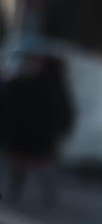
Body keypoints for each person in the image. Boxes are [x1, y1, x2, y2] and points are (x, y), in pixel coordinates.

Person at [0, 47, 75, 206]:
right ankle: (19, 191)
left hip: (38, 135)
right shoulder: (23, 82)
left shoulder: (49, 85)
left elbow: (62, 111)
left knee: (39, 166)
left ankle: (44, 194)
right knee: (21, 165)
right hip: (24, 134)